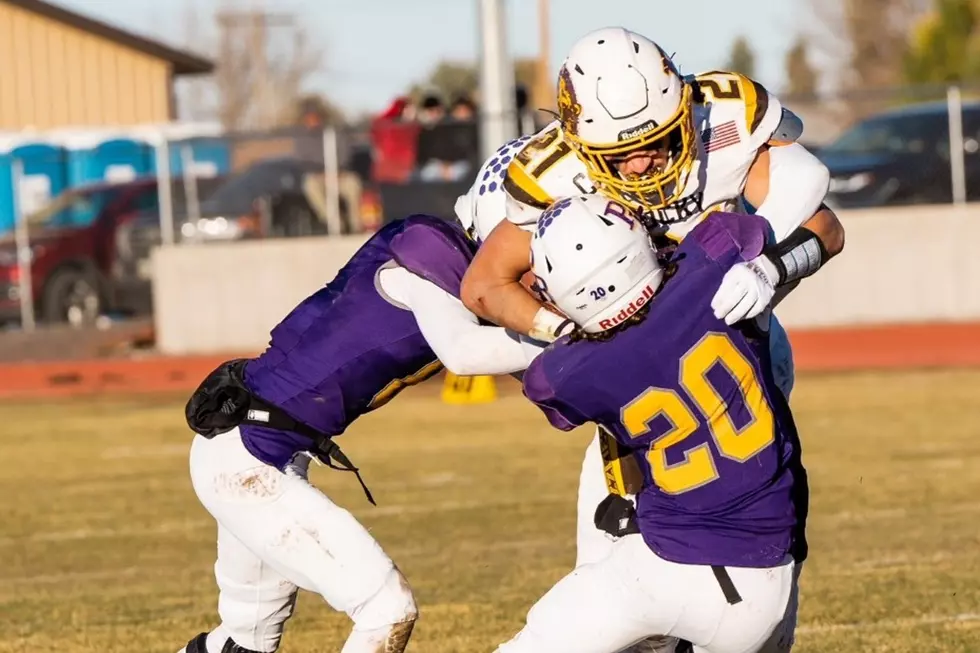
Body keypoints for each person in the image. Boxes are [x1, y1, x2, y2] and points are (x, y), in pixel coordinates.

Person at [454, 26, 838, 623]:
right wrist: (562, 328)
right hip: (637, 390)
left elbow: (819, 209)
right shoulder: (552, 173)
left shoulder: (723, 118)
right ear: (581, 146)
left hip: (745, 367)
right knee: (613, 562)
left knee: (753, 555)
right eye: (620, 153)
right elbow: (484, 285)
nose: (642, 162)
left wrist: (767, 266)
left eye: (659, 140)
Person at [176, 214, 534, 653]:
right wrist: (567, 334)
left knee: (242, 642)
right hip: (248, 458)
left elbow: (541, 377)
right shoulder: (429, 266)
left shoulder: (435, 261)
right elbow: (464, 352)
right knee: (387, 610)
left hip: (255, 449)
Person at [495, 194, 808, 653]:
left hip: (673, 562)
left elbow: (540, 379)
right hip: (768, 577)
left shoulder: (570, 372)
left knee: (540, 637)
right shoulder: (712, 259)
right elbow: (822, 228)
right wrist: (772, 271)